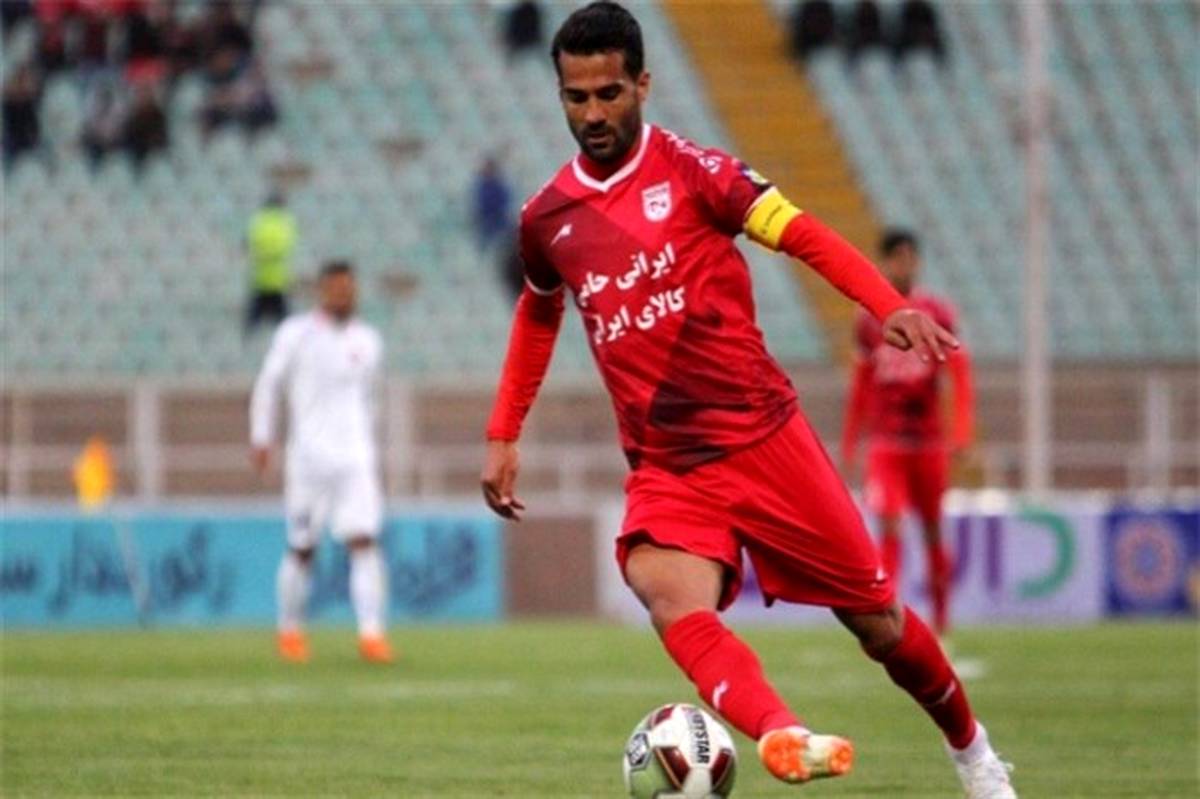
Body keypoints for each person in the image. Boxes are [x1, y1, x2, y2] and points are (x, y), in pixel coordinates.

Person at [479, 4, 1015, 797]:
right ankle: (780, 732)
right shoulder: (546, 219)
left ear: (643, 85)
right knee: (665, 592)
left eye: (609, 94)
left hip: (767, 440)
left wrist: (885, 304)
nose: (592, 114)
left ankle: (975, 754)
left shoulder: (701, 174)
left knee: (879, 625)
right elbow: (538, 309)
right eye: (576, 97)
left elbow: (802, 234)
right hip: (668, 464)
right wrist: (503, 432)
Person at [250, 260, 393, 664]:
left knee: (364, 541)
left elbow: (371, 399)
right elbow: (269, 384)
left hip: (355, 458)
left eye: (349, 288)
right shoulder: (295, 334)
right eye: (336, 288)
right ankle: (290, 631)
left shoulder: (369, 340)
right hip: (309, 458)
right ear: (321, 291)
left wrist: (368, 442)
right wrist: (261, 435)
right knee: (302, 547)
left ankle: (371, 634)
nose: (343, 294)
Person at [842, 229, 974, 638]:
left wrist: (961, 432)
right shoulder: (868, 319)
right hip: (886, 443)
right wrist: (851, 441)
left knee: (933, 530)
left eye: (910, 258)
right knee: (889, 529)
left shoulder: (936, 312)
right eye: (898, 258)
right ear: (884, 263)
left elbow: (958, 374)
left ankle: (942, 621)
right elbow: (862, 385)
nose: (905, 265)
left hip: (928, 442)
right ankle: (890, 621)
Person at [244, 191, 296, 335]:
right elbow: (287, 245)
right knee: (285, 323)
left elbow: (250, 244)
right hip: (278, 280)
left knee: (253, 320)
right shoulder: (285, 221)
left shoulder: (258, 221)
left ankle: (246, 340)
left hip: (260, 278)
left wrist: (262, 254)